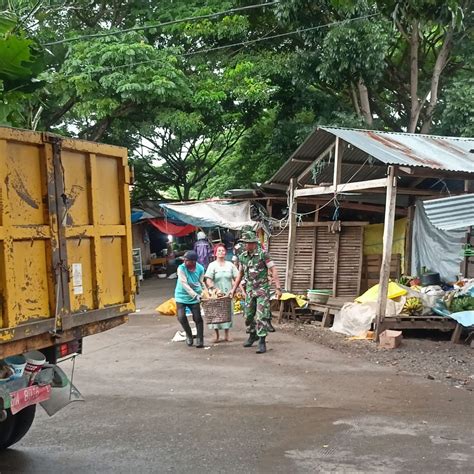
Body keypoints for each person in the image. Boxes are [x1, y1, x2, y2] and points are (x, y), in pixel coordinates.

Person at [230, 230, 282, 354]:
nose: (245, 245)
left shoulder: (263, 254)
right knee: (248, 315)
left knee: (261, 316)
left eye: (247, 243)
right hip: (249, 290)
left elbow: (273, 270)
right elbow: (240, 274)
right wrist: (233, 289)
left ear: (253, 243)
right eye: (244, 243)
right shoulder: (243, 256)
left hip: (262, 290)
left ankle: (262, 341)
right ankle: (253, 334)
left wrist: (278, 288)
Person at [205, 244, 239, 343]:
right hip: (216, 292)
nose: (221, 252)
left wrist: (236, 289)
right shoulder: (212, 265)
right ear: (215, 253)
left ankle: (227, 334)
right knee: (215, 312)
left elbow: (237, 277)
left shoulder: (230, 265)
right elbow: (208, 279)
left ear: (225, 253)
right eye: (219, 250)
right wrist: (213, 288)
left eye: (223, 250)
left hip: (228, 292)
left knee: (227, 312)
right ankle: (216, 334)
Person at [174, 250, 205, 348]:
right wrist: (195, 295)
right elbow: (184, 284)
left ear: (193, 261)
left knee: (197, 318)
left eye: (187, 260)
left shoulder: (200, 268)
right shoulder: (181, 268)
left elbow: (201, 282)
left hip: (195, 296)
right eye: (184, 260)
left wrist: (205, 293)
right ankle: (189, 335)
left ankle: (200, 339)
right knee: (181, 317)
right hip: (181, 296)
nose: (185, 262)